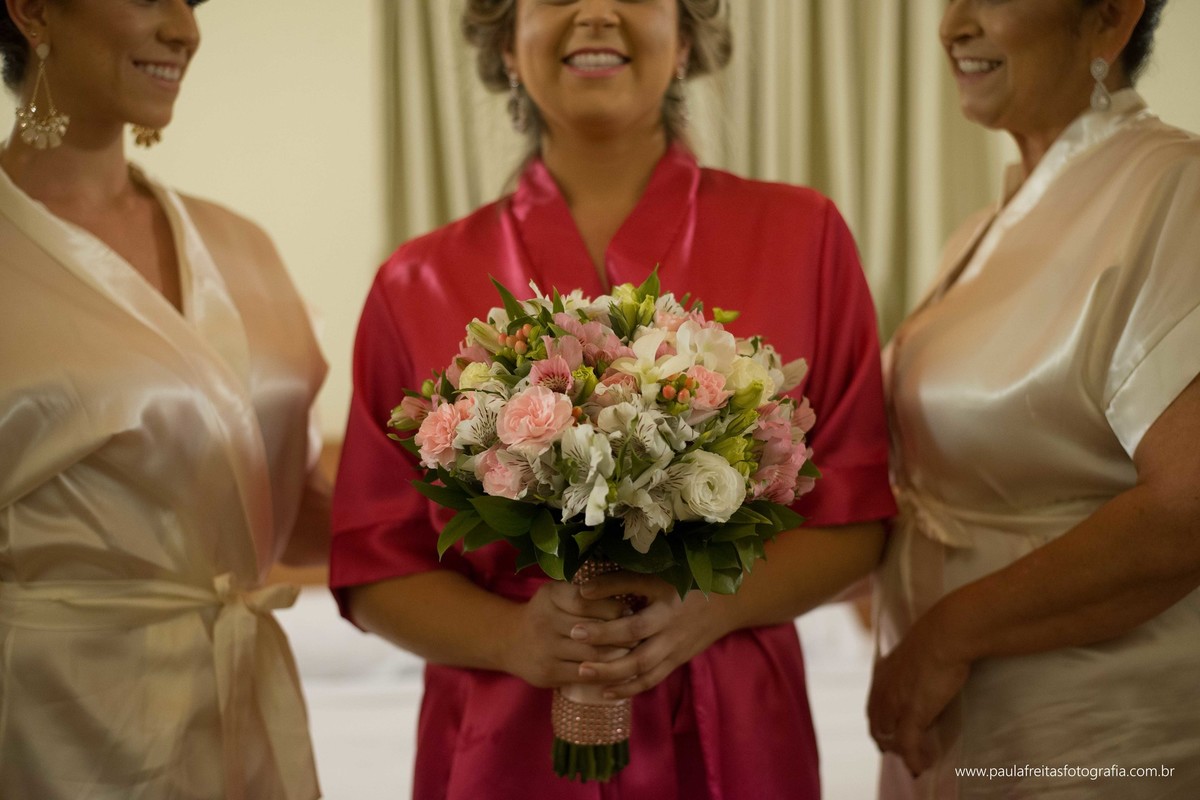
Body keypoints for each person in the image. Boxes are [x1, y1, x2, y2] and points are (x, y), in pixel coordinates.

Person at [331, 1, 894, 797]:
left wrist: (709, 608)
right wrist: (512, 638)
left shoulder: (804, 236)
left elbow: (857, 518)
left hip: (733, 720)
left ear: (687, 32)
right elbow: (371, 562)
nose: (596, 11)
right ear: (506, 38)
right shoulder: (414, 283)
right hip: (503, 737)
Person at [868, 0, 1200, 796]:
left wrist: (947, 635)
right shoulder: (987, 227)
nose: (953, 27)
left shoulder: (1174, 187)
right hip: (948, 721)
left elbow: (1188, 505)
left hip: (1092, 731)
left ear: (1111, 19)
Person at [0, 0, 328, 797]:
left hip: (245, 707)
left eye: (194, 0)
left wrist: (504, 491)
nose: (186, 28)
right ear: (33, 10)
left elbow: (303, 508)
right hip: (54, 724)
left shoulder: (241, 246)